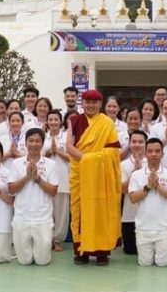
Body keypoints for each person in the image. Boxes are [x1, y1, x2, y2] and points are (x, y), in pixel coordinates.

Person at [66, 89, 122, 265]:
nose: (90, 105)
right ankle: (81, 251)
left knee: (101, 209)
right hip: (80, 174)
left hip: (100, 177)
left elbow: (113, 151)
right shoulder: (74, 120)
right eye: (87, 102)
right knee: (79, 211)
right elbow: (68, 146)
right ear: (82, 103)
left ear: (100, 104)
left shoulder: (107, 123)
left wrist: (90, 160)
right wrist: (87, 160)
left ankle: (101, 252)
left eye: (94, 102)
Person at [8, 127, 59, 265]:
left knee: (42, 261)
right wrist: (27, 177)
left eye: (37, 141)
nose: (34, 144)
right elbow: (11, 188)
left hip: (42, 218)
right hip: (21, 217)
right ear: (25, 143)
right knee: (24, 261)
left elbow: (53, 191)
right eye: (31, 141)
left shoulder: (51, 164)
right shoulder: (17, 163)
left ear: (42, 144)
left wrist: (37, 179)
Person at [128, 137, 167, 267]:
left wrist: (157, 186)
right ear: (145, 153)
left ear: (163, 153)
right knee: (145, 263)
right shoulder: (137, 174)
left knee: (163, 263)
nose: (154, 154)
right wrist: (148, 187)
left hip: (163, 228)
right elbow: (132, 198)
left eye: (157, 151)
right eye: (150, 151)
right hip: (143, 227)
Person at [43, 110, 70, 251]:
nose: (53, 122)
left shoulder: (66, 137)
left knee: (61, 212)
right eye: (50, 119)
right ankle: (47, 238)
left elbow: (72, 158)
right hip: (45, 180)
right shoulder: (43, 137)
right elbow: (38, 157)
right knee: (47, 210)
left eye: (56, 119)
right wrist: (48, 152)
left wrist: (58, 151)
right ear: (47, 121)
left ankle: (57, 239)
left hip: (63, 179)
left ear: (61, 122)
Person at [120, 130, 147, 254]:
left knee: (147, 251)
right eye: (134, 141)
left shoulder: (152, 163)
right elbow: (122, 189)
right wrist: (135, 173)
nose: (137, 145)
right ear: (129, 144)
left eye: (141, 142)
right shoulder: (123, 165)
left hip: (148, 216)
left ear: (146, 144)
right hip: (129, 216)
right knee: (130, 251)